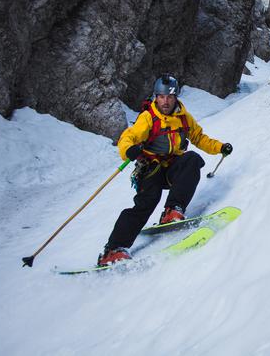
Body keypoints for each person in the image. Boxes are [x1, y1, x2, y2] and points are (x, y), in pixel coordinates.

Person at [97, 74, 233, 266]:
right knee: (147, 202)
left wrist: (219, 147)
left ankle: (172, 210)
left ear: (176, 96)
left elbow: (199, 138)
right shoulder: (148, 118)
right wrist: (128, 149)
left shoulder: (184, 118)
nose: (165, 101)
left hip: (172, 169)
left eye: (169, 97)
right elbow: (128, 137)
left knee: (192, 159)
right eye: (161, 96)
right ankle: (113, 250)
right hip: (150, 170)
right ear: (156, 97)